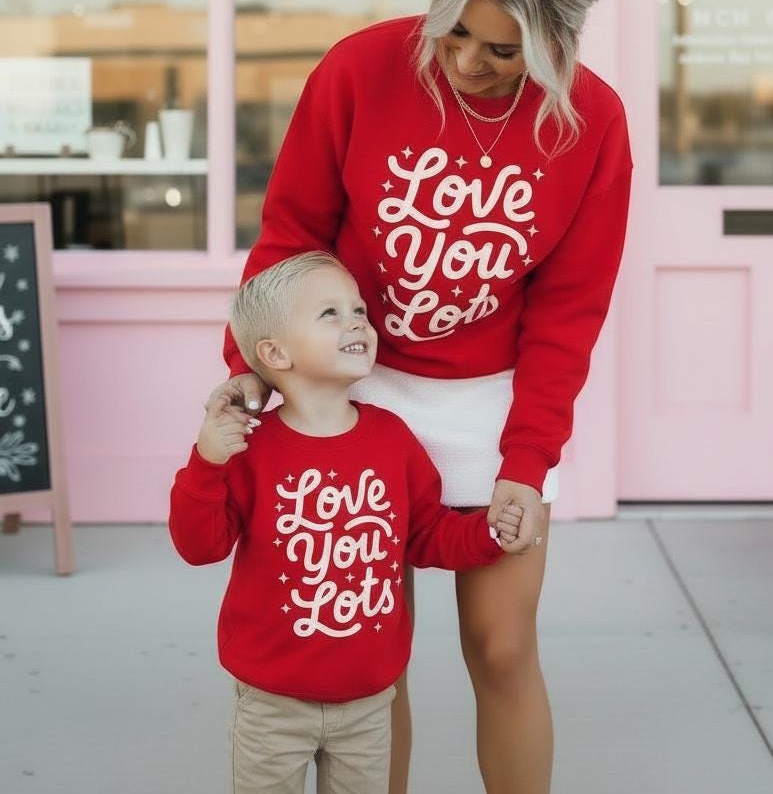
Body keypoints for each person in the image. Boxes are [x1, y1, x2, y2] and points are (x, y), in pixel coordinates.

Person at [205, 0, 633, 794]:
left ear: (557, 42)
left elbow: (570, 310)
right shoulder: (361, 69)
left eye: (503, 52)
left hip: (493, 399)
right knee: (371, 658)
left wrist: (528, 458)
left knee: (503, 647)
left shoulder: (591, 123)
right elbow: (291, 233)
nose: (468, 63)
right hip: (355, 382)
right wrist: (252, 369)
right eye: (456, 33)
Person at [170, 251, 523, 794]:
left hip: (368, 703)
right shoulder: (250, 449)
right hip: (271, 704)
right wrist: (207, 463)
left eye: (358, 309)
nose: (357, 321)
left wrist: (489, 532)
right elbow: (200, 547)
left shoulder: (393, 439)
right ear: (275, 353)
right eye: (329, 313)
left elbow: (426, 534)